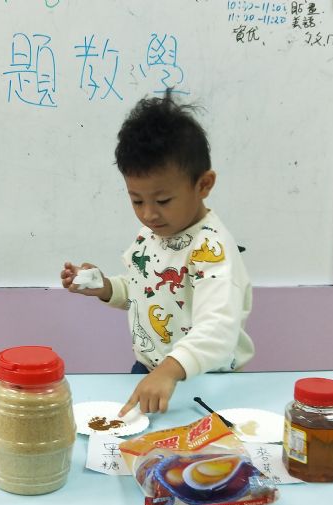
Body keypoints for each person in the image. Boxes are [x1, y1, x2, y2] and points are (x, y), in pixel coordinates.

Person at [61, 91, 253, 417]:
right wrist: (106, 287)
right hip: (152, 372)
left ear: (204, 185)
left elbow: (218, 328)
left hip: (205, 383)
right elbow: (144, 287)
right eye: (137, 200)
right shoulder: (156, 232)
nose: (149, 214)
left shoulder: (212, 250)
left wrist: (168, 371)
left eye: (163, 201)